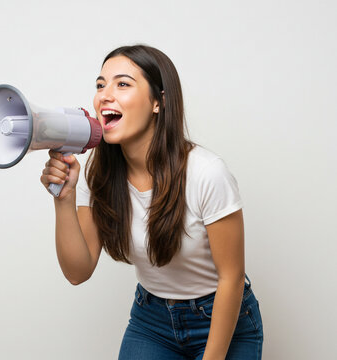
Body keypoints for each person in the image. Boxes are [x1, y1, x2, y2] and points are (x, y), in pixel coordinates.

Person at [40, 45, 263, 359]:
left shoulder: (206, 173)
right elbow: (78, 271)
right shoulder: (99, 174)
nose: (104, 95)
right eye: (100, 85)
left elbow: (232, 277)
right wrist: (63, 200)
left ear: (158, 102)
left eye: (123, 84)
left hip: (222, 316)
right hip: (152, 320)